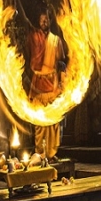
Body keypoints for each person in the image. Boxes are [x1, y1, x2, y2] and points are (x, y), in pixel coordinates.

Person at [27, 11, 64, 159]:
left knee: (53, 121)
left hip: (52, 83)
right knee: (40, 122)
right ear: (38, 22)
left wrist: (62, 81)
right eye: (42, 20)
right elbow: (25, 22)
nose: (44, 22)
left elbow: (61, 61)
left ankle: (51, 152)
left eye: (46, 20)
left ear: (50, 21)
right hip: (38, 84)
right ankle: (40, 152)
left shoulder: (56, 40)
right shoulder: (35, 38)